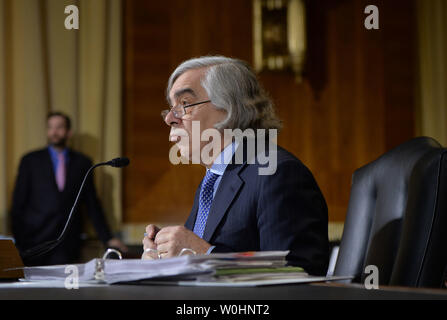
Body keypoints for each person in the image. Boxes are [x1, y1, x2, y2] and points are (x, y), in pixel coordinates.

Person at [142, 56, 329, 275]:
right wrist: (165, 262)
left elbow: (299, 274)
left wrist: (203, 254)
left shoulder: (277, 173)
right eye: (170, 108)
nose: (170, 119)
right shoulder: (211, 182)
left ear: (229, 108)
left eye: (185, 104)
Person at [11, 112, 127, 266]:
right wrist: (19, 238)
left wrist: (107, 237)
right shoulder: (30, 160)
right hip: (34, 242)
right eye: (50, 127)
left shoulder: (83, 163)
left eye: (59, 127)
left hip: (66, 243)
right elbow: (18, 202)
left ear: (68, 132)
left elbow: (92, 204)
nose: (54, 132)